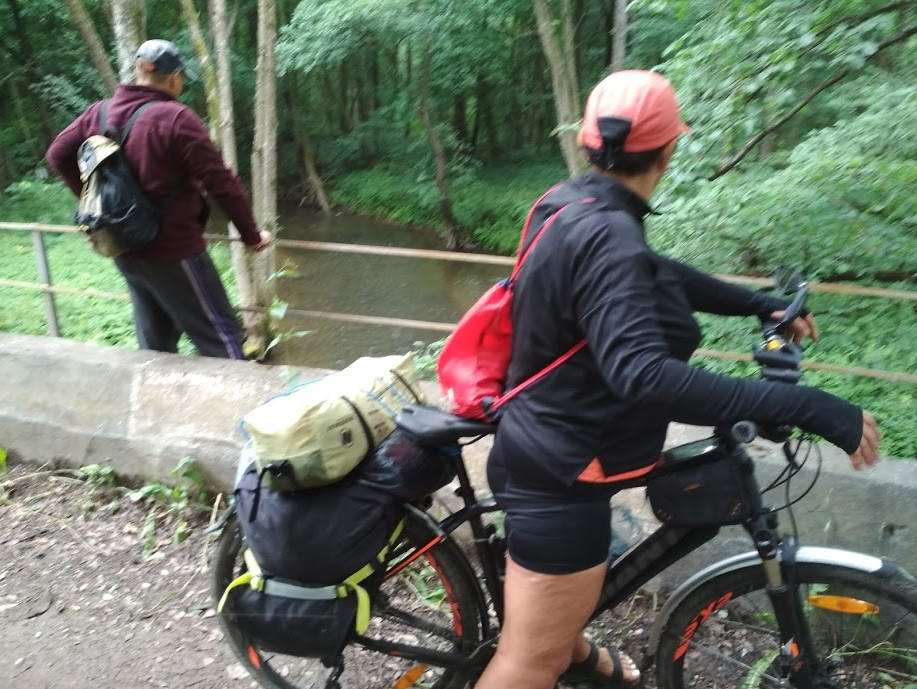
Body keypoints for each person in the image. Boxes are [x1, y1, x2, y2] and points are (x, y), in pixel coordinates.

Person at [475, 70, 882, 689]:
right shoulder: (608, 235)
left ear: (589, 144)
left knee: (549, 630)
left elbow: (654, 271)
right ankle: (554, 649)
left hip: (550, 441)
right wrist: (808, 405)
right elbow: (642, 374)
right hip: (559, 469)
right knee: (529, 663)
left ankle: (578, 650)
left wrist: (757, 304)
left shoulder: (571, 206)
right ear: (669, 150)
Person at [46, 39, 271, 359]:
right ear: (173, 78)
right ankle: (239, 409)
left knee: (155, 345)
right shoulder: (176, 118)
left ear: (139, 71)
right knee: (221, 338)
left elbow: (57, 155)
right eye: (180, 78)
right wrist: (252, 235)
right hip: (174, 250)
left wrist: (96, 205)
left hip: (124, 247)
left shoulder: (101, 112)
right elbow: (222, 183)